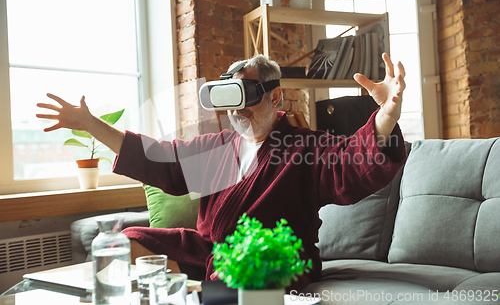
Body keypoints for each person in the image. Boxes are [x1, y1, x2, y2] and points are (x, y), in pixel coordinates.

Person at [36, 53, 407, 291]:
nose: (236, 110)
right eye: (229, 99)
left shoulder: (305, 148)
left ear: (275, 97)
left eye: (246, 97)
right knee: (129, 240)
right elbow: (154, 157)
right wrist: (89, 124)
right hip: (214, 253)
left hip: (273, 259)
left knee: (239, 272)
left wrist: (385, 117)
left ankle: (206, 293)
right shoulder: (216, 149)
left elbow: (348, 164)